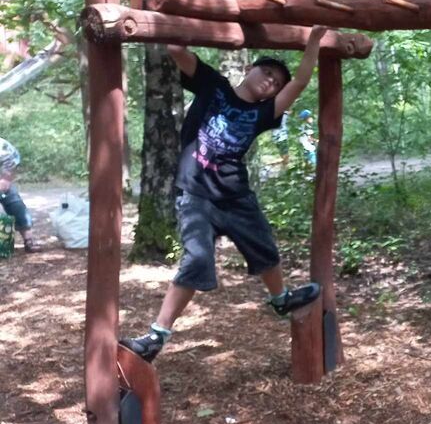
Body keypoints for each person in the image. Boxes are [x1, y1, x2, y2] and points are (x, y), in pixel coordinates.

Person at [120, 28, 333, 362]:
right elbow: (177, 44)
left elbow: (300, 83)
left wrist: (313, 44)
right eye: (266, 72)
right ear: (249, 69)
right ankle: (156, 336)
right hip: (195, 194)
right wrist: (176, 18)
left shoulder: (264, 113)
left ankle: (280, 299)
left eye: (275, 82)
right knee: (197, 260)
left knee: (263, 245)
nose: (270, 81)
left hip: (235, 195)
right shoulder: (213, 85)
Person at [0, 137, 39, 253]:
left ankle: (29, 240)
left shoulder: (3, 147)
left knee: (14, 203)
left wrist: (5, 179)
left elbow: (11, 160)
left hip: (3, 174)